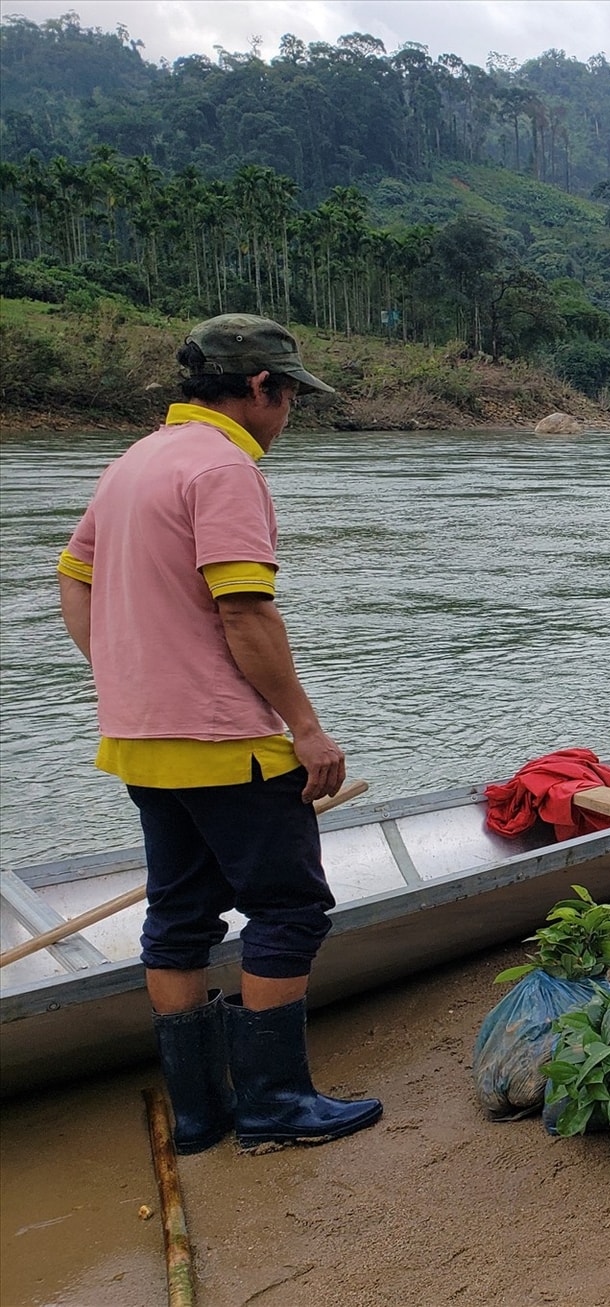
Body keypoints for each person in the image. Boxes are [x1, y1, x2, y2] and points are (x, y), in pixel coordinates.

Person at [56, 314, 381, 1153]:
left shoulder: (132, 462)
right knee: (289, 907)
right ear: (261, 388)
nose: (288, 417)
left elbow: (73, 577)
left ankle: (200, 1114)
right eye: (289, 399)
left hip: (140, 738)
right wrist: (307, 728)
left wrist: (126, 676)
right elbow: (243, 607)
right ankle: (275, 1104)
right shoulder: (224, 466)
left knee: (180, 913)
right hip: (223, 740)